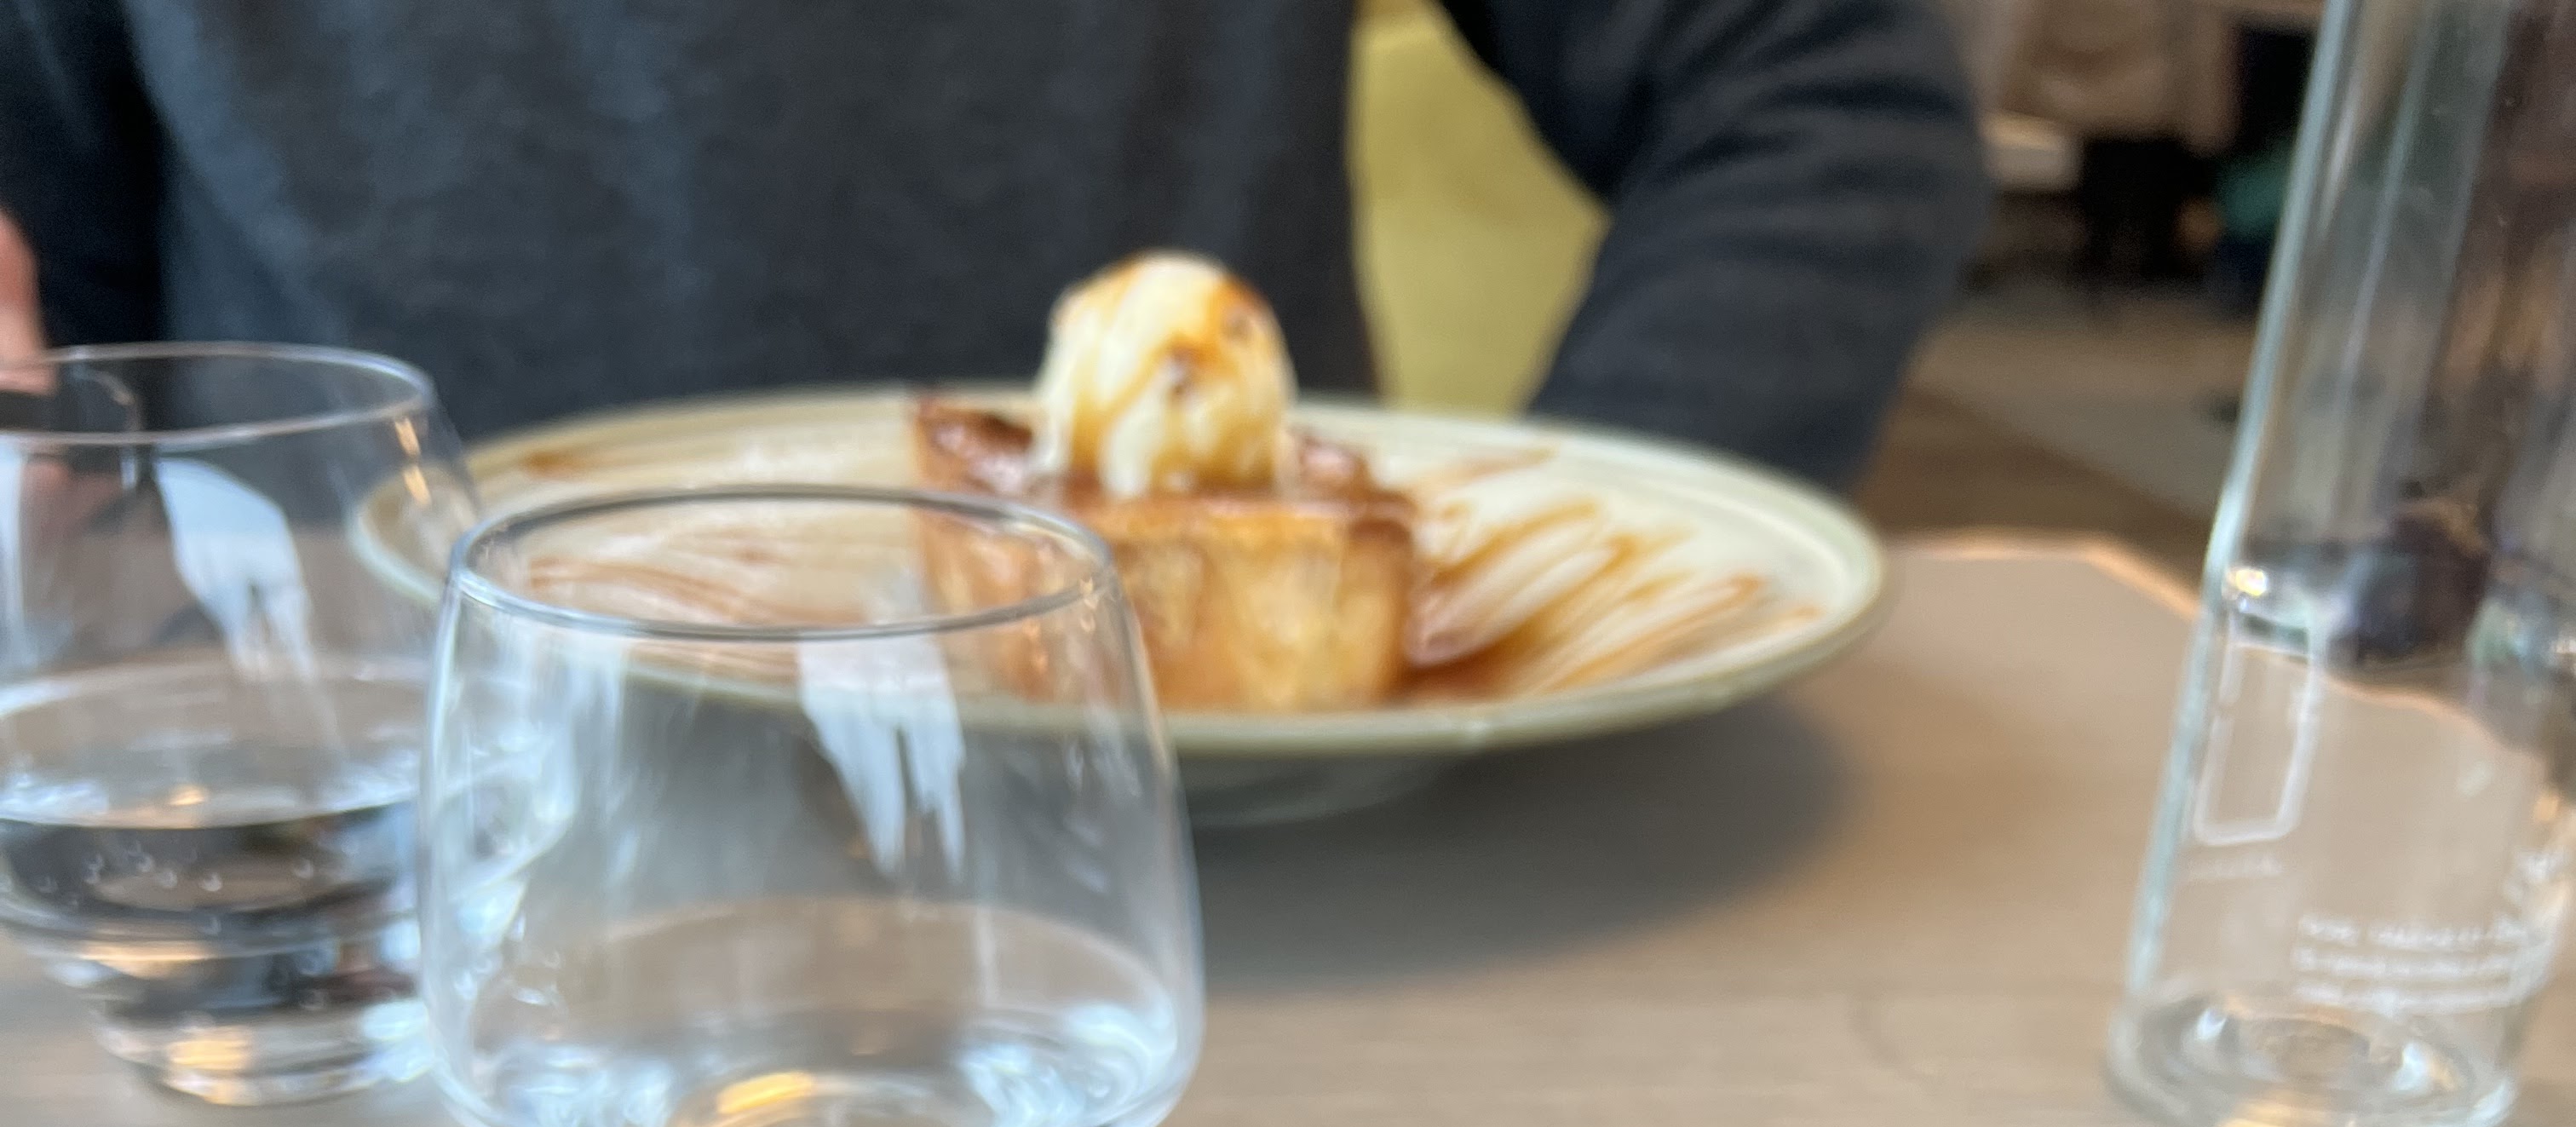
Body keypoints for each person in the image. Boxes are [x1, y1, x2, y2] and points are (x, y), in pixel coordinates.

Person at [0, 0, 1987, 487]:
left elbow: (1814, 84)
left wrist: (1584, 551)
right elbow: (57, 263)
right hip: (350, 876)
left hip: (1241, 876)